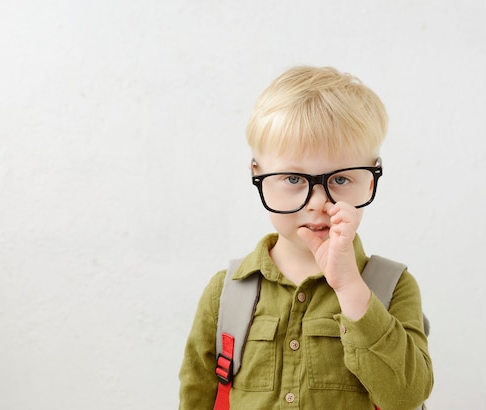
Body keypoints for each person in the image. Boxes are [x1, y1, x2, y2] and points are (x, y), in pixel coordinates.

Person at [179, 66, 433, 409]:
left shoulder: (392, 287)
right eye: (293, 179)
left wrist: (349, 288)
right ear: (259, 174)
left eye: (341, 180)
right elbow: (197, 394)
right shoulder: (227, 294)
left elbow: (406, 395)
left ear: (370, 180)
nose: (318, 202)